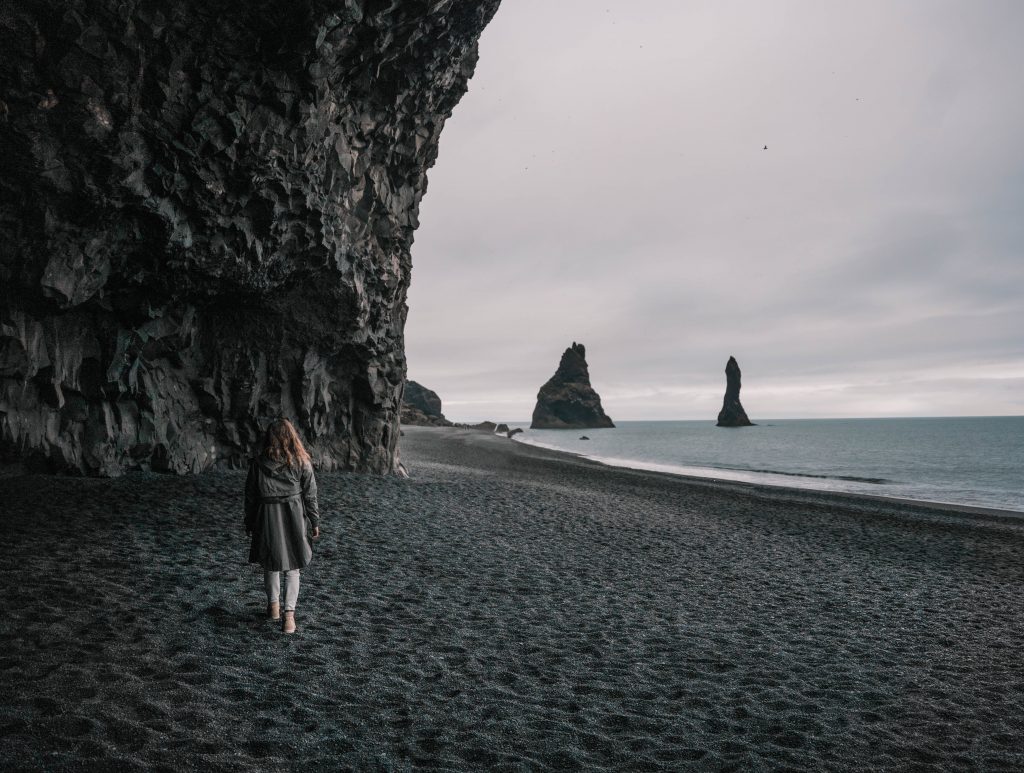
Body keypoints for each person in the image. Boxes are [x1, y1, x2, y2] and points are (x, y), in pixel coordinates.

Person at [244, 418, 320, 634]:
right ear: (291, 436)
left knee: (271, 563)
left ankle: (274, 608)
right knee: (293, 567)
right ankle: (289, 618)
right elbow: (310, 495)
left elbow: (250, 496)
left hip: (266, 515)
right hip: (294, 515)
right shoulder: (301, 462)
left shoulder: (258, 463)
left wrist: (249, 521)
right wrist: (314, 521)